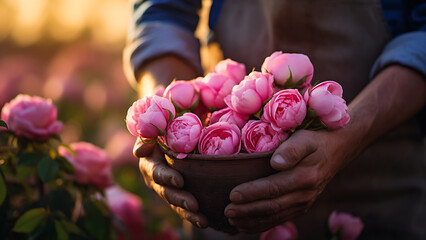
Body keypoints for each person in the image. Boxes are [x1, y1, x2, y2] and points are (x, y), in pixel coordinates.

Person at [123, 0, 426, 239]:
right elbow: (162, 11)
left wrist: (350, 133)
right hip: (221, 198)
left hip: (381, 189)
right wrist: (166, 118)